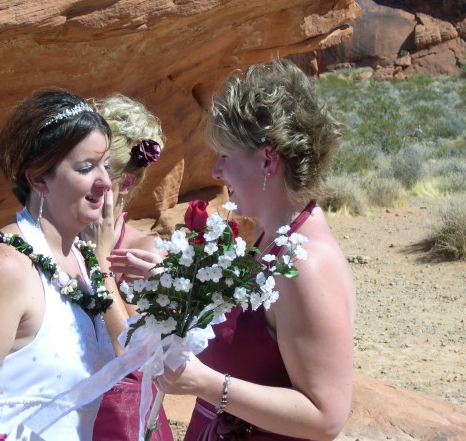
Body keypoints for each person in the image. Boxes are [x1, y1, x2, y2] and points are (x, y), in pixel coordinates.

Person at [110, 59, 355, 440]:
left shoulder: (306, 263)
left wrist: (207, 385)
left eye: (225, 156)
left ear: (267, 160)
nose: (215, 172)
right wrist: (173, 283)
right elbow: (244, 326)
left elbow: (326, 417)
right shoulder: (270, 238)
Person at [0, 89, 125, 440]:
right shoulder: (2, 266)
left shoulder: (83, 264)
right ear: (37, 179)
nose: (105, 182)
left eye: (105, 165)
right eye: (86, 167)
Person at [82, 94, 174, 441]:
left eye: (98, 173)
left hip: (123, 421)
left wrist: (100, 261)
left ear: (127, 183)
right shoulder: (59, 240)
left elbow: (130, 351)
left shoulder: (143, 250)